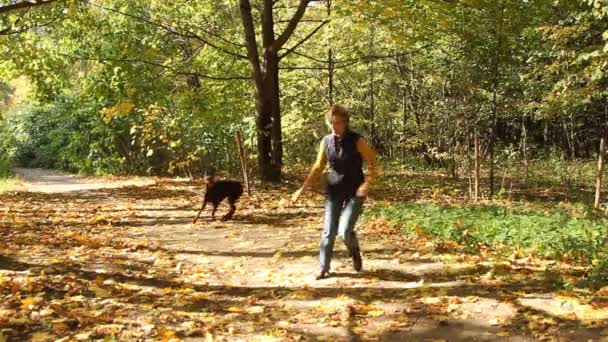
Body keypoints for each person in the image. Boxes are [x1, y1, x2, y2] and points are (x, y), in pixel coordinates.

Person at [292, 104, 378, 280]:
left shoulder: (356, 140)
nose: (335, 126)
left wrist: (368, 183)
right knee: (329, 231)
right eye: (332, 123)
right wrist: (303, 188)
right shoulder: (326, 141)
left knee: (345, 230)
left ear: (345, 122)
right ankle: (324, 268)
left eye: (338, 122)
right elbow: (318, 166)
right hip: (334, 189)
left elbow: (373, 161)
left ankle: (354, 252)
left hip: (356, 190)